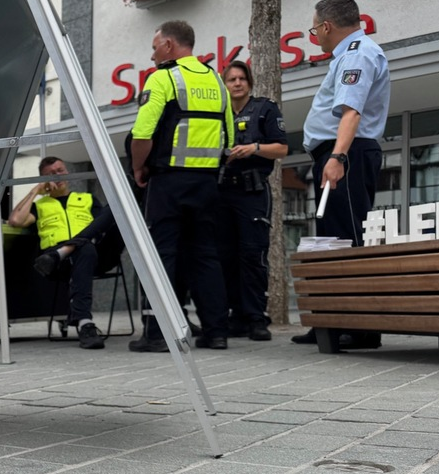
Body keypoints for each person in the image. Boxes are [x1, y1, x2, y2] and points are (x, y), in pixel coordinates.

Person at [128, 20, 234, 352]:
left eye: (155, 46)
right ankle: (217, 331)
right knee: (204, 255)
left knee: (161, 255)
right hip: (206, 184)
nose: (152, 54)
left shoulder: (162, 77)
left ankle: (158, 333)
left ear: (170, 46)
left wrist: (137, 167)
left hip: (169, 182)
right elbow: (229, 137)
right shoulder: (217, 80)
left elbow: (143, 133)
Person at [293, 0, 389, 349]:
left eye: (314, 29)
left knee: (347, 239)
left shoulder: (357, 54)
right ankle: (329, 322)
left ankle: (360, 327)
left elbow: (351, 113)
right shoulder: (350, 54)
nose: (314, 35)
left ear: (327, 26)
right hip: (339, 153)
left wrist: (337, 156)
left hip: (345, 153)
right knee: (331, 241)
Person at [8, 156, 121, 350]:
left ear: (67, 172)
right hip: (57, 264)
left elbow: (104, 226)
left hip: (97, 257)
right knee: (84, 249)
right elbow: (16, 220)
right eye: (50, 175)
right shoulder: (40, 206)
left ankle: (82, 319)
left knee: (114, 213)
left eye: (60, 170)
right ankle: (85, 323)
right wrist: (35, 190)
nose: (57, 176)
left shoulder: (86, 199)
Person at [218, 60, 289, 342]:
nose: (237, 83)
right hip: (222, 192)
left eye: (241, 79)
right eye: (231, 79)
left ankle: (257, 318)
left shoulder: (264, 109)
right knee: (226, 257)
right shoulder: (217, 113)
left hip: (252, 192)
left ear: (249, 82)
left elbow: (282, 148)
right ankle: (235, 315)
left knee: (252, 255)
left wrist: (254, 148)